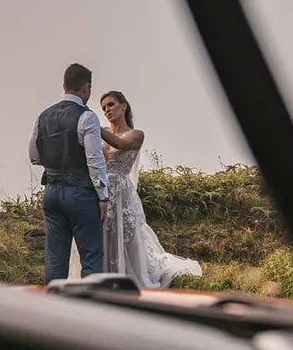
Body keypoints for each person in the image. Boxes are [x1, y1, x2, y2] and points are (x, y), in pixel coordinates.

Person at [97, 90, 203, 289]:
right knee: (106, 234)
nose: (107, 110)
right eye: (103, 108)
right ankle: (108, 278)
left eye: (110, 105)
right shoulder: (103, 137)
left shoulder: (136, 134)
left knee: (128, 235)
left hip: (122, 190)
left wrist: (98, 129)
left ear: (124, 106)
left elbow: (120, 143)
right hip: (104, 190)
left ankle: (131, 277)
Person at [29, 63, 109, 282]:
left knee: (55, 259)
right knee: (91, 257)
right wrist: (103, 196)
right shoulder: (87, 117)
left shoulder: (43, 116)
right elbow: (95, 161)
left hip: (52, 192)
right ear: (85, 88)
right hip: (80, 193)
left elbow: (34, 156)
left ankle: (52, 308)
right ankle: (90, 309)